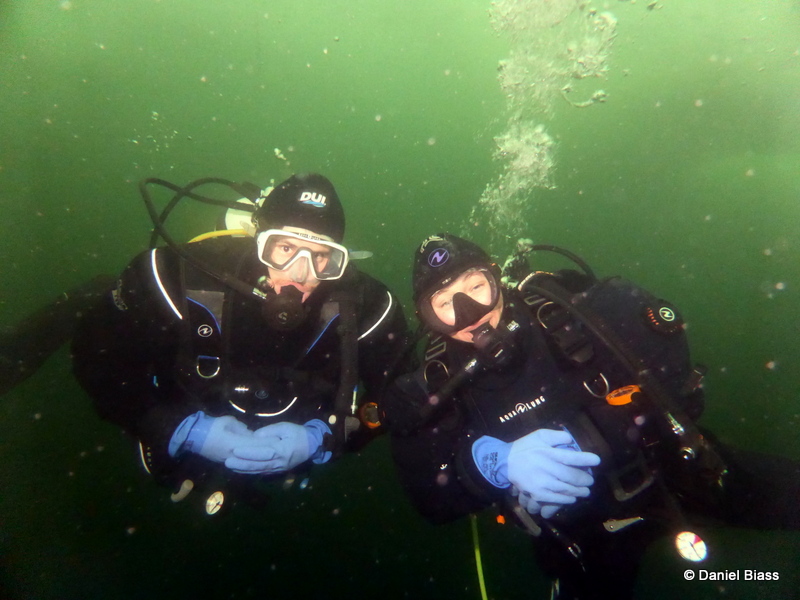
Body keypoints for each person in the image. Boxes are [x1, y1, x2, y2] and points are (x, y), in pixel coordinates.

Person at [381, 233, 800, 599]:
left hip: (672, 471)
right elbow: (430, 499)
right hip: (580, 536)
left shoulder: (569, 310)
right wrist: (491, 465)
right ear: (427, 320)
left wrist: (593, 434)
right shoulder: (435, 385)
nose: (469, 312)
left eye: (476, 286)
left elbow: (671, 363)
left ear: (497, 279)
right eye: (444, 304)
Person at [71, 173, 410, 513]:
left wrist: (324, 438)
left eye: (321, 255)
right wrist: (171, 426)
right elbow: (97, 358)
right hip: (176, 448)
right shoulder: (176, 275)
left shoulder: (369, 307)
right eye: (286, 248)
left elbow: (398, 397)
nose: (300, 274)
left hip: (292, 475)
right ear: (259, 241)